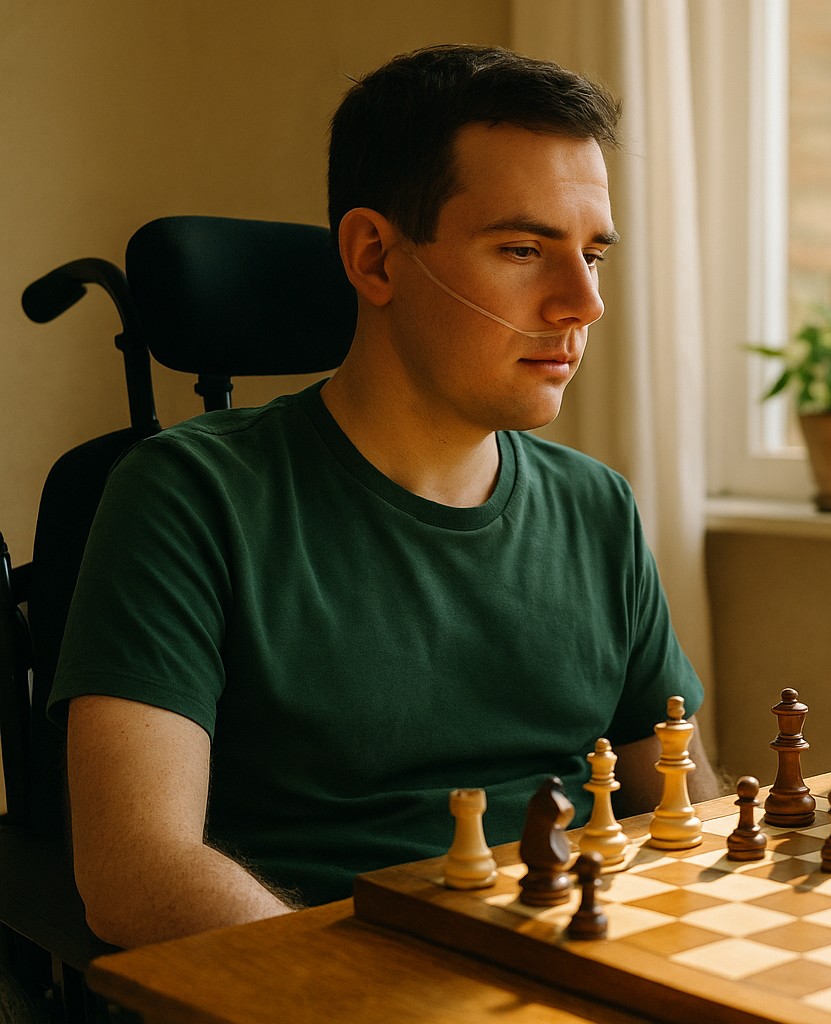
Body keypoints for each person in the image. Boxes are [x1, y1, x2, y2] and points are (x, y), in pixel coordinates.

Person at [46, 44, 721, 949]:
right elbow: (134, 875)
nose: (583, 302)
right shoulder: (188, 496)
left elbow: (684, 810)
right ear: (375, 257)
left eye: (592, 253)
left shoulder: (598, 509)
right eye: (524, 248)